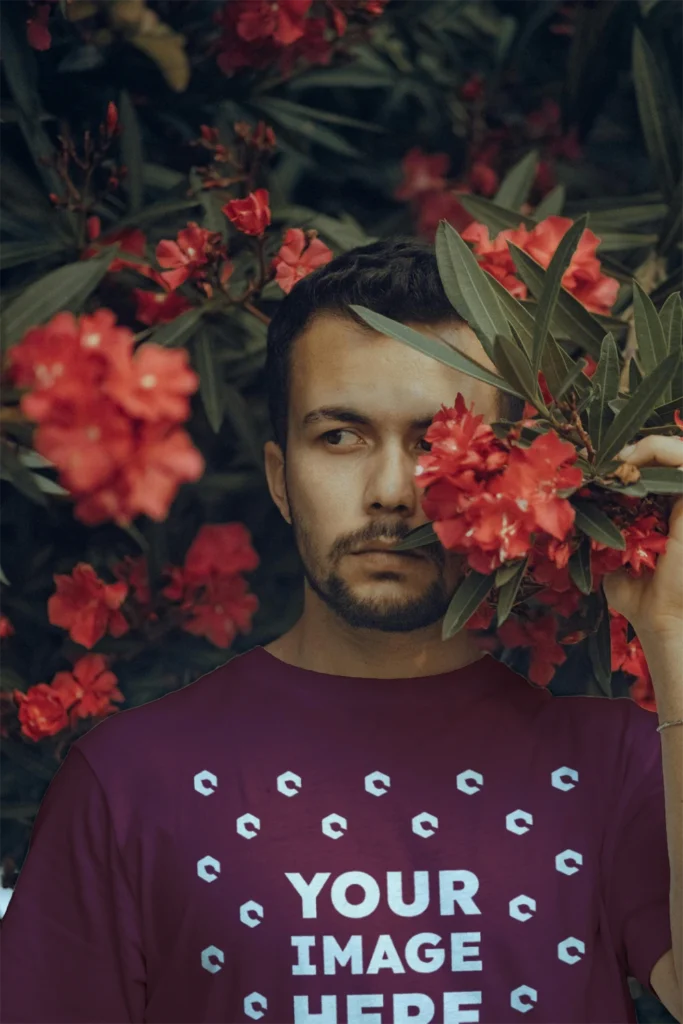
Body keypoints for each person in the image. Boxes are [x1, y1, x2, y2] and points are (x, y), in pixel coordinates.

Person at [0, 238, 674, 1024]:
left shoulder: (616, 766)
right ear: (281, 480)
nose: (391, 493)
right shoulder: (127, 784)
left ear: (512, 474)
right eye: (340, 437)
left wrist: (675, 631)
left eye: (435, 442)